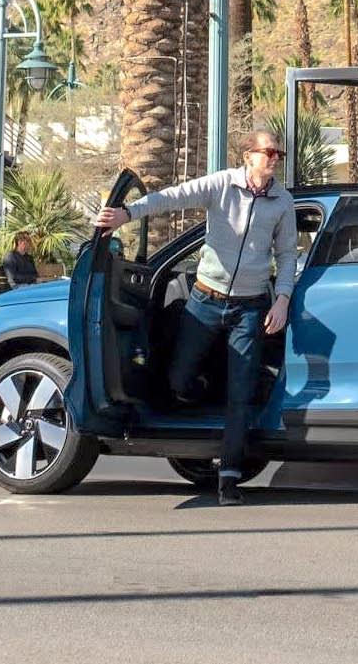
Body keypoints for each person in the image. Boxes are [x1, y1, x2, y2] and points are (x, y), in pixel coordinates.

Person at [92, 129, 297, 507]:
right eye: (269, 152)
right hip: (204, 298)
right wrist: (127, 214)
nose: (275, 159)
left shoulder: (281, 201)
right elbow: (173, 197)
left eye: (279, 154)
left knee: (241, 396)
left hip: (249, 308)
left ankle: (229, 478)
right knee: (178, 378)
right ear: (248, 155)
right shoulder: (222, 185)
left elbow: (286, 255)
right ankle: (200, 388)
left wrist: (281, 299)